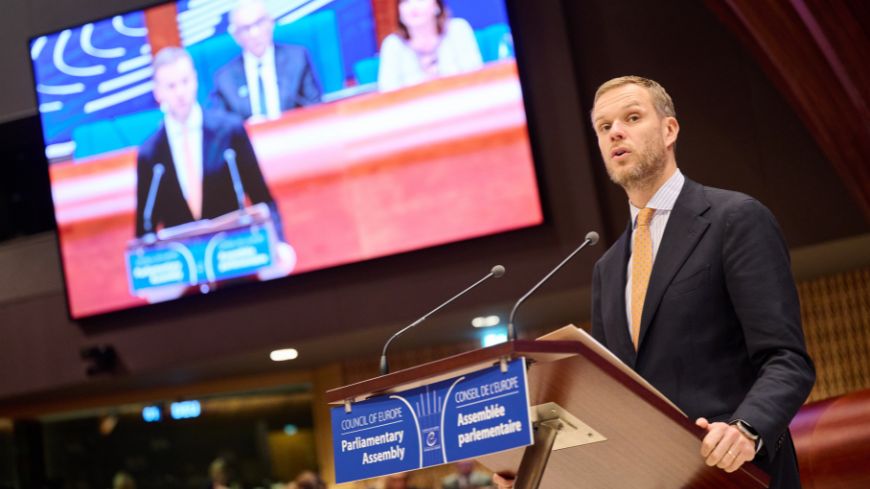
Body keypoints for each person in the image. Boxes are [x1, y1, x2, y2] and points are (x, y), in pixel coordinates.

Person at [495, 76, 815, 489]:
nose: (616, 133)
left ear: (669, 130)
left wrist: (746, 430)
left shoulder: (734, 219)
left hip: (738, 474)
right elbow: (610, 405)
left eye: (632, 117)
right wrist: (541, 472)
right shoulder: (608, 268)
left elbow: (787, 360)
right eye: (604, 127)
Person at [135, 47, 294, 282]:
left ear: (196, 81)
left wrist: (278, 243)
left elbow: (262, 198)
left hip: (235, 254)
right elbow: (145, 225)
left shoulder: (230, 131)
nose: (180, 92)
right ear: (158, 92)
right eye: (171, 86)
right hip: (184, 267)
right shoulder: (150, 153)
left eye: (185, 81)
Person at [210, 0, 322, 120]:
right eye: (245, 28)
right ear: (236, 36)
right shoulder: (225, 79)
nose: (254, 33)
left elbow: (315, 107)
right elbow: (222, 126)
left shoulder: (297, 59)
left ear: (270, 23)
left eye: (259, 23)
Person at [377, 0, 483, 91]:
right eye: (405, 1)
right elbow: (388, 93)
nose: (413, 6)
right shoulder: (392, 45)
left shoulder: (458, 29)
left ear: (437, 5)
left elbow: (476, 78)